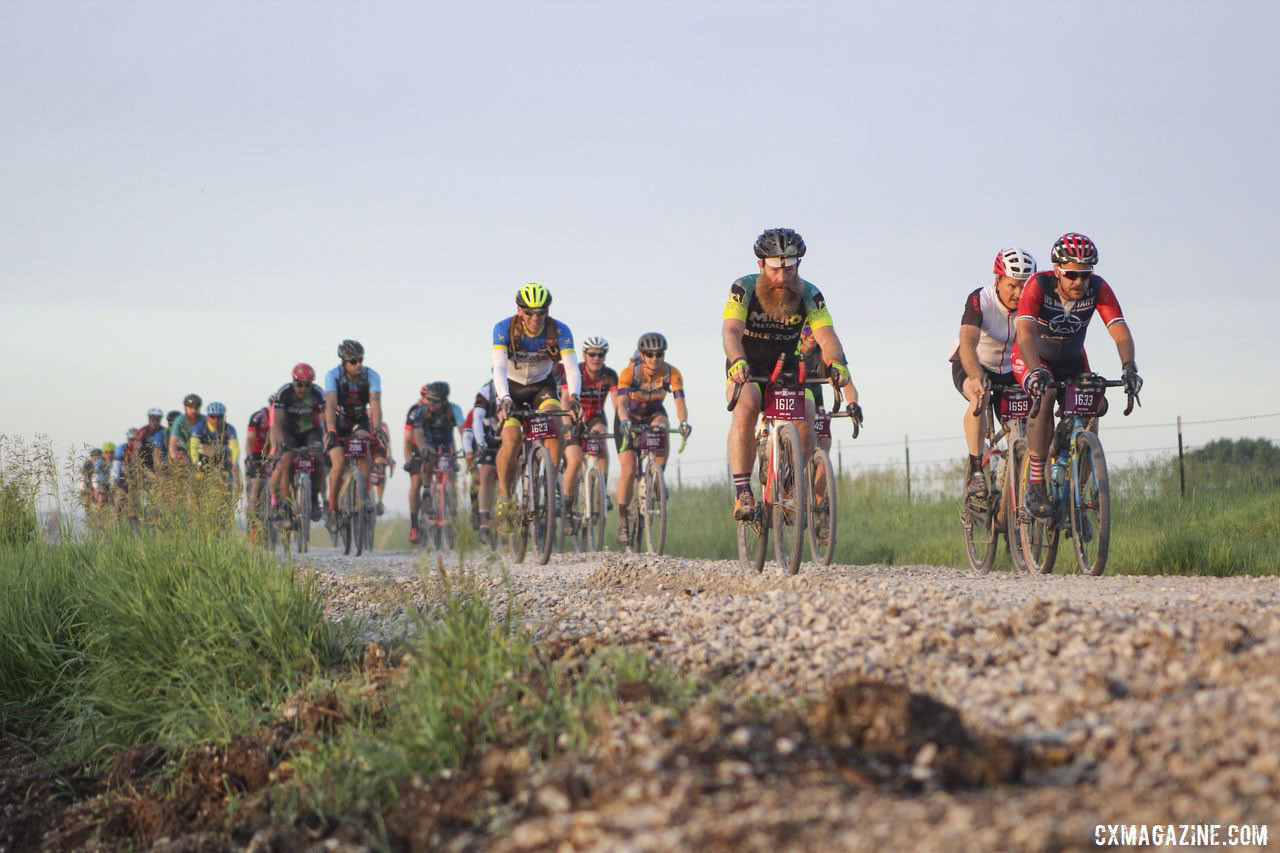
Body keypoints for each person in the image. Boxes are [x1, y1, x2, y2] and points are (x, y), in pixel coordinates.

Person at [722, 228, 861, 521]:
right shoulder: (743, 288)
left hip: (786, 369)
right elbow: (731, 331)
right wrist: (736, 360)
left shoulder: (810, 294)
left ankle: (787, 489)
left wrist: (837, 363)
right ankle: (743, 491)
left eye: (789, 268)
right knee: (745, 408)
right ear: (761, 264)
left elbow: (826, 335)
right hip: (747, 367)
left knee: (808, 418)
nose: (782, 278)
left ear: (798, 264)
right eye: (775, 269)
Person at [1013, 232, 1142, 517]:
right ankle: (1035, 483)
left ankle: (1077, 492)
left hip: (1072, 360)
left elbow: (1119, 330)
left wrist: (1129, 367)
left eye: (1085, 275)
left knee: (1093, 401)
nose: (1079, 282)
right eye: (1072, 275)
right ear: (1058, 270)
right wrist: (1035, 372)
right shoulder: (1039, 285)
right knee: (1044, 394)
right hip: (1034, 356)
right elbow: (1024, 333)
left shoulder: (1098, 288)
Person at [490, 284, 581, 528]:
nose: (535, 318)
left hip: (542, 386)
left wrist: (575, 396)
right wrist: (504, 398)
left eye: (540, 313)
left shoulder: (559, 330)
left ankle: (549, 482)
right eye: (529, 313)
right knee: (511, 439)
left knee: (554, 421)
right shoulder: (503, 329)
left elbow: (572, 367)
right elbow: (498, 367)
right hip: (511, 388)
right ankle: (504, 496)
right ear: (520, 310)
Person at [950, 247, 1037, 499]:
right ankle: (977, 470)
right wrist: (976, 377)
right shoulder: (981, 299)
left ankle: (1010, 470)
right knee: (979, 397)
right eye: (1012, 286)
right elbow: (967, 343)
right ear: (998, 280)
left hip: (1011, 369)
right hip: (973, 362)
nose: (1018, 293)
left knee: (1025, 421)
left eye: (1023, 286)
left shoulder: (1032, 304)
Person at [613, 332, 690, 544]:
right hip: (629, 416)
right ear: (642, 355)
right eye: (649, 354)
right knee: (628, 469)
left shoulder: (672, 373)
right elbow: (620, 403)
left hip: (654, 413)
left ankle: (658, 477)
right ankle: (622, 520)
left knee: (663, 428)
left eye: (659, 354)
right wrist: (625, 421)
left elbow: (679, 402)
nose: (654, 359)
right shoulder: (629, 372)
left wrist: (683, 423)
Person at [323, 340, 383, 532]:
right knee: (339, 463)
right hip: (338, 420)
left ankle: (362, 499)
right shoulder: (333, 376)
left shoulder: (371, 376)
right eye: (353, 361)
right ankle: (332, 510)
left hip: (359, 419)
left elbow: (374, 403)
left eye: (360, 360)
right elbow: (331, 404)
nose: (358, 364)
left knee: (364, 447)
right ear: (343, 362)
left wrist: (378, 428)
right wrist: (331, 429)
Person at [272, 363, 328, 525]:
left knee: (318, 458)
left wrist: (326, 439)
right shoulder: (284, 393)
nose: (303, 388)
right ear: (293, 381)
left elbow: (325, 419)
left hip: (311, 431)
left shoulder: (318, 393)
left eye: (307, 385)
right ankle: (286, 505)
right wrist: (280, 443)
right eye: (299, 384)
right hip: (289, 432)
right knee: (286, 462)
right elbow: (277, 423)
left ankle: (314, 497)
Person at [408, 382, 462, 543]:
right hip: (428, 442)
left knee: (452, 476)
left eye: (436, 401)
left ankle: (452, 513)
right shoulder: (420, 411)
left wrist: (467, 449)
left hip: (446, 443)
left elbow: (461, 429)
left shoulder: (454, 409)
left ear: (444, 401)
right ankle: (426, 492)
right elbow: (418, 435)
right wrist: (423, 449)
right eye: (429, 400)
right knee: (428, 460)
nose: (431, 404)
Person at [469, 379, 503, 537]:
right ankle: (483, 520)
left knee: (513, 471)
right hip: (488, 441)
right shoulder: (485, 391)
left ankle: (507, 511)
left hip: (509, 440)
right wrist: (480, 442)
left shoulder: (518, 385)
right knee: (486, 472)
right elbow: (476, 420)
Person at [189, 402, 241, 488]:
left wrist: (235, 464)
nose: (216, 420)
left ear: (223, 416)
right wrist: (196, 463)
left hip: (222, 458)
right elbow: (194, 447)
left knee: (231, 479)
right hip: (204, 457)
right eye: (212, 416)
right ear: (208, 416)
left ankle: (229, 497)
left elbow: (235, 448)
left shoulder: (229, 428)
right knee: (197, 479)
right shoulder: (199, 427)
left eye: (219, 417)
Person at [244, 400, 274, 535]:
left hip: (274, 455)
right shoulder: (258, 418)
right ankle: (253, 525)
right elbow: (250, 439)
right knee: (255, 487)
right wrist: (249, 455)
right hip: (256, 455)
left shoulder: (283, 418)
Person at [168, 394, 204, 463]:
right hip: (185, 453)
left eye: (196, 408)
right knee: (179, 453)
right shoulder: (179, 420)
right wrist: (175, 459)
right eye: (191, 407)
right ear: (185, 408)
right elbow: (172, 444)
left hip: (200, 451)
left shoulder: (204, 420)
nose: (194, 411)